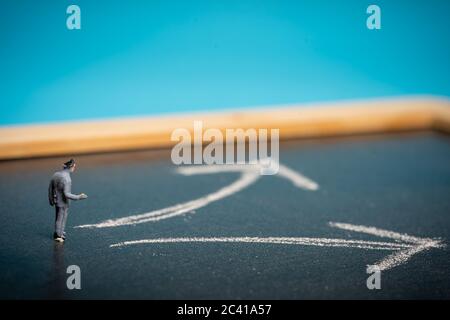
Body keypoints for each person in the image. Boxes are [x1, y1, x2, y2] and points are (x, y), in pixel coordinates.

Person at [48, 159, 88, 242]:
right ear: (70, 167)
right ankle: (58, 235)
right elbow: (66, 194)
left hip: (57, 201)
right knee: (61, 218)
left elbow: (50, 188)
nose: (74, 168)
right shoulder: (67, 179)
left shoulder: (56, 174)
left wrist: (51, 199)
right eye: (74, 167)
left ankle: (60, 232)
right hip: (63, 202)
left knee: (59, 218)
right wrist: (79, 197)